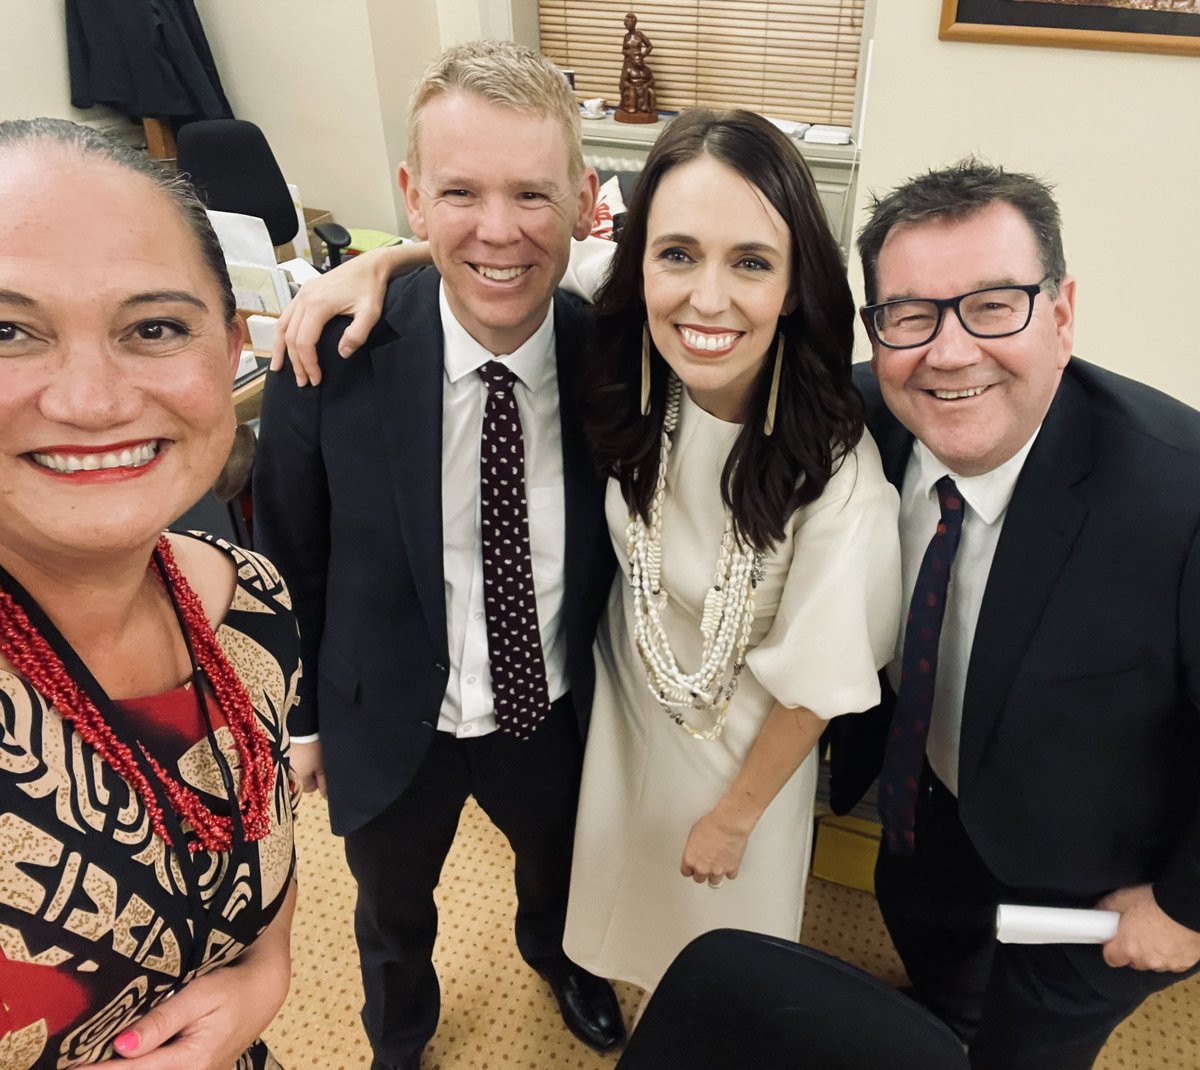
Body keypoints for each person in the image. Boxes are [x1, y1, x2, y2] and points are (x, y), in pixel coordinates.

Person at [268, 108, 902, 995]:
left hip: (726, 755)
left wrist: (734, 817)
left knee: (708, 969)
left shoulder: (836, 472)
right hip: (616, 725)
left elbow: (819, 680)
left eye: (752, 262)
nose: (707, 296)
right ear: (642, 260)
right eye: (677, 255)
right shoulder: (636, 349)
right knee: (551, 904)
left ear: (796, 283)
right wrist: (380, 261)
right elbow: (505, 255)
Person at [252, 41, 624, 1070]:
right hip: (386, 710)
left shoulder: (621, 359)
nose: (497, 230)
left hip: (548, 704)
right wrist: (304, 720)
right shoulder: (330, 354)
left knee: (557, 868)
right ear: (414, 194)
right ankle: (399, 1033)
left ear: (586, 198)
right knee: (390, 907)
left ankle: (560, 957)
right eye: (460, 191)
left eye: (532, 194)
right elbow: (288, 552)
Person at [829, 159, 1200, 1070]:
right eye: (909, 315)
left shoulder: (1181, 499)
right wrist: (419, 281)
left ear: (1062, 314)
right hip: (927, 814)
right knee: (937, 972)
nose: (949, 352)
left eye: (995, 304)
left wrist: (1186, 909)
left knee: (1026, 1051)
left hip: (1105, 877)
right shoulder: (857, 416)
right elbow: (697, 364)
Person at [0, 118, 298, 1069]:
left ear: (233, 345)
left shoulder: (246, 601)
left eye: (155, 326)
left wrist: (268, 974)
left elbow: (259, 836)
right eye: (8, 330)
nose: (91, 400)